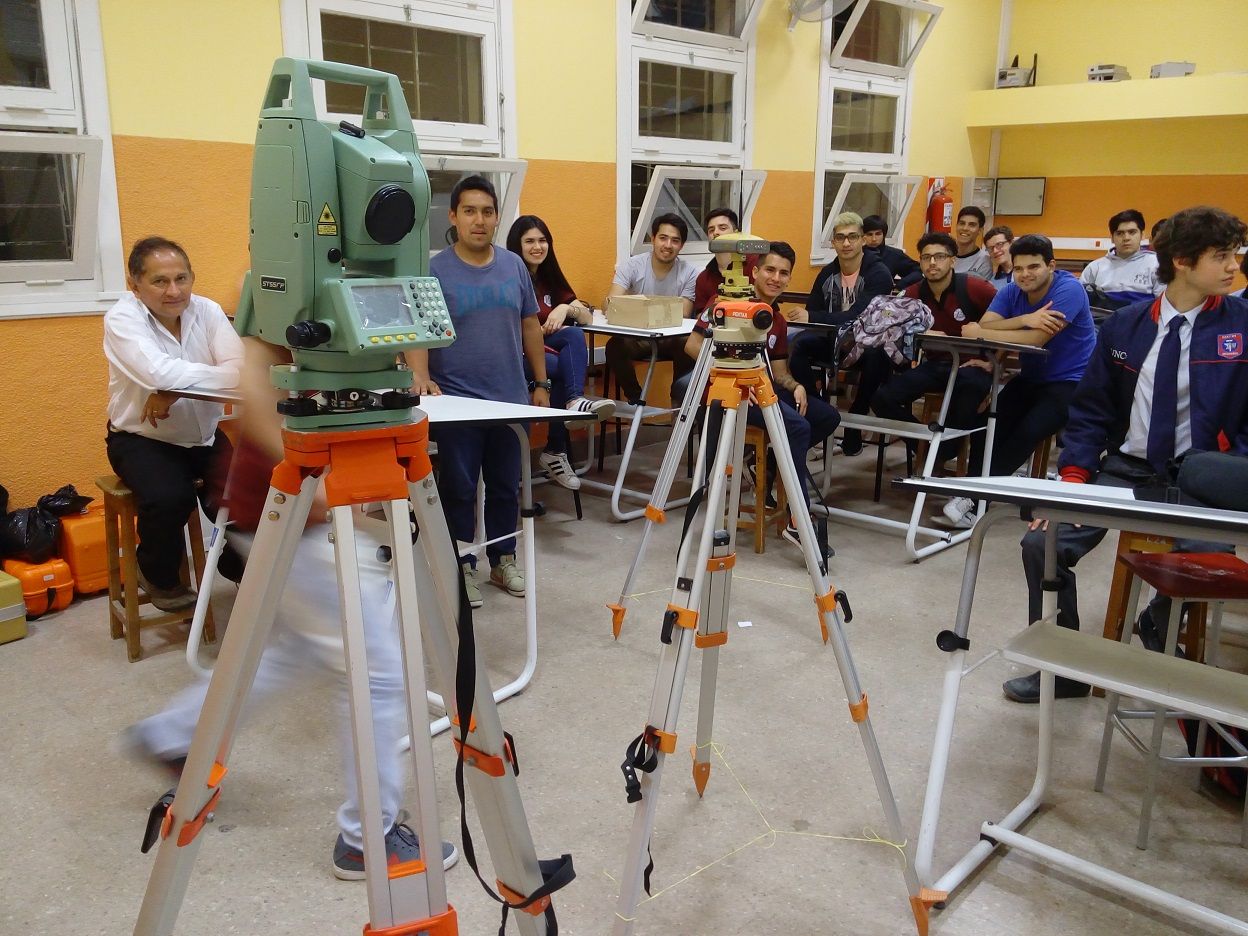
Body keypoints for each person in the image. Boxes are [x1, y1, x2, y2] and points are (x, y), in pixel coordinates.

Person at [121, 338, 459, 881]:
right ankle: (367, 838)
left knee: (296, 650)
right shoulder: (281, 296)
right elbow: (255, 387)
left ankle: (171, 735)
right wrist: (309, 477)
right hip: (295, 502)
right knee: (376, 674)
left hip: (299, 498)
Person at [1003, 207, 1248, 704]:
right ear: (1183, 261)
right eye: (1221, 256)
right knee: (1042, 544)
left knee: (1208, 559)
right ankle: (1063, 667)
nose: (1233, 266)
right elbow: (1091, 410)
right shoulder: (1126, 326)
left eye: (1234, 255)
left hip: (1203, 477)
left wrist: (1230, 473)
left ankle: (1158, 622)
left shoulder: (1243, 326)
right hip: (1126, 471)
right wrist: (1072, 480)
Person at [406, 175, 547, 609]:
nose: (479, 220)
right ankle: (462, 565)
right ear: (453, 217)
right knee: (460, 488)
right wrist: (420, 376)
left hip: (510, 398)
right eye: (469, 211)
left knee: (506, 485)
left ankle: (503, 560)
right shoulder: (434, 271)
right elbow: (420, 330)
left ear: (497, 217)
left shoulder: (514, 266)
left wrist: (541, 383)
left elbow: (530, 324)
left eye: (487, 212)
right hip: (457, 403)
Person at [103, 237, 243, 611]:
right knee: (169, 498)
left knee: (250, 497)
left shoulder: (208, 311)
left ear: (192, 277)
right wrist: (176, 382)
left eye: (181, 278)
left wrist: (174, 390)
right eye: (160, 281)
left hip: (205, 437)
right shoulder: (123, 318)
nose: (174, 291)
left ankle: (233, 565)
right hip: (141, 438)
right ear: (134, 284)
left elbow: (240, 370)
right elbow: (157, 372)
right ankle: (156, 575)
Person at [682, 242, 840, 547]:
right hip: (729, 393)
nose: (776, 278)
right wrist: (737, 377)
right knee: (797, 428)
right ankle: (797, 518)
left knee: (826, 416)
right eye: (770, 270)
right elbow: (692, 345)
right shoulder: (725, 303)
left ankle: (765, 463)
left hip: (762, 389)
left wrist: (795, 386)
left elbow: (779, 371)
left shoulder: (775, 319)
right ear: (754, 272)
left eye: (783, 273)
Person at [944, 234, 1096, 529]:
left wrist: (981, 333)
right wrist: (1024, 319)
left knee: (1027, 431)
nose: (1025, 274)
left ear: (1051, 266)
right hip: (1031, 378)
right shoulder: (1013, 291)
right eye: (1019, 268)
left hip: (1072, 381)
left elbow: (1036, 339)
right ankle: (972, 492)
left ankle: (973, 499)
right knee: (987, 425)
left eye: (1034, 267)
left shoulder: (1069, 289)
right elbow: (987, 323)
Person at [506, 215, 615, 491]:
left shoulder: (549, 277)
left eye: (542, 240)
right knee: (558, 368)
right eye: (529, 241)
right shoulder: (510, 276)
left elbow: (586, 316)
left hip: (547, 353)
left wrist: (565, 308)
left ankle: (574, 401)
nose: (537, 247)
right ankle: (556, 448)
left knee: (574, 336)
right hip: (518, 355)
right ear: (517, 245)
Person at [869, 232, 997, 465]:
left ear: (952, 260)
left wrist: (993, 361)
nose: (932, 263)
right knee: (882, 398)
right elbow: (887, 326)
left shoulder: (975, 288)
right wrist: (915, 332)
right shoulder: (913, 294)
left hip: (972, 365)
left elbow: (1009, 320)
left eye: (940, 257)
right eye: (926, 257)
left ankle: (945, 451)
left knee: (970, 391)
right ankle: (924, 446)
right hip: (936, 364)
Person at [788, 211, 893, 455]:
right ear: (833, 242)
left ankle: (858, 413)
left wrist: (813, 317)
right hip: (833, 341)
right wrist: (813, 317)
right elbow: (813, 309)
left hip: (867, 343)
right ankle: (817, 408)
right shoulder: (827, 273)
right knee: (798, 345)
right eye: (840, 237)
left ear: (863, 240)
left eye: (852, 237)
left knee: (877, 353)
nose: (846, 243)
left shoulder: (879, 273)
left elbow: (859, 316)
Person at [604, 213, 699, 405]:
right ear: (653, 239)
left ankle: (679, 403)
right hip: (639, 337)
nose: (668, 245)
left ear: (681, 246)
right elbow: (609, 304)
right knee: (614, 346)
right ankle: (636, 399)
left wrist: (636, 307)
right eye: (663, 238)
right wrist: (657, 310)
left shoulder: (690, 272)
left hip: (672, 338)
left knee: (687, 344)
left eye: (675, 240)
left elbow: (684, 313)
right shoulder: (632, 265)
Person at [1080, 209, 1161, 308]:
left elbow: (1163, 304)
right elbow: (1080, 302)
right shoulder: (1095, 268)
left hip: (1142, 317)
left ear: (1142, 235)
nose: (1126, 238)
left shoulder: (1157, 264)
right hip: (1102, 317)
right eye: (1120, 233)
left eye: (1132, 232)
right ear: (1112, 238)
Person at [693, 207, 756, 315]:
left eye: (722, 228)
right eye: (711, 230)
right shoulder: (703, 278)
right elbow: (700, 316)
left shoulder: (754, 266)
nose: (715, 233)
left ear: (736, 233)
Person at [862, 214, 920, 287]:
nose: (874, 239)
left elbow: (918, 271)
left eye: (878, 234)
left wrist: (901, 284)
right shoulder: (856, 253)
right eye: (869, 234)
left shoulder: (894, 255)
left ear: (884, 235)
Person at [952, 206, 992, 280]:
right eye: (962, 223)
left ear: (980, 230)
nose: (965, 228)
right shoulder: (945, 255)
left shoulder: (984, 261)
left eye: (972, 225)